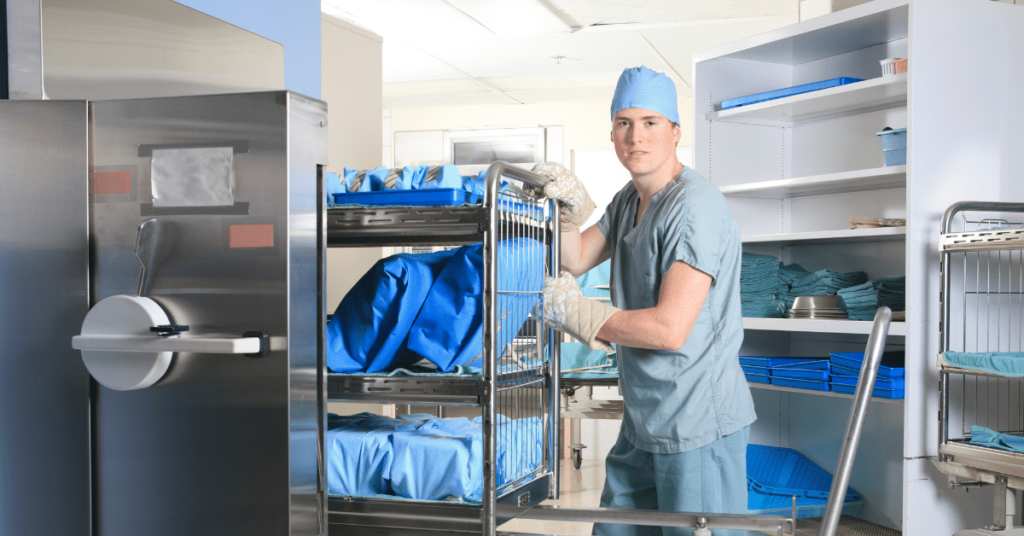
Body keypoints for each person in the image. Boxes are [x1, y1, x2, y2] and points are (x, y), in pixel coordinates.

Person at [532, 66, 756, 536]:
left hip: (695, 421)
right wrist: (568, 213)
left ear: (675, 131)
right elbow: (575, 259)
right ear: (612, 133)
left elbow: (669, 329)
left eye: (650, 122)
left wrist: (576, 313)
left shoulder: (695, 207)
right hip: (644, 417)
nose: (636, 136)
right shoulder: (629, 200)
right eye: (623, 123)